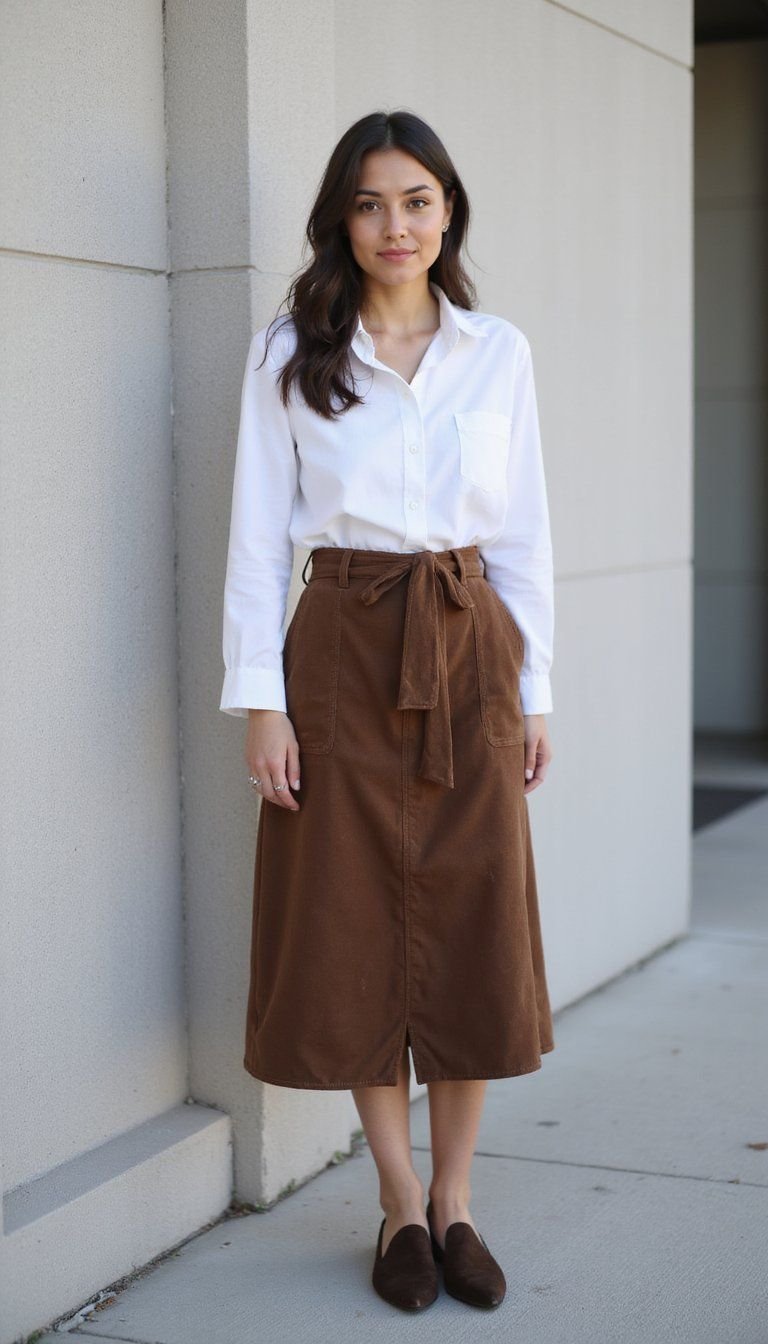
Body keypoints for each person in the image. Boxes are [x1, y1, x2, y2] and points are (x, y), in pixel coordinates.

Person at [220, 109, 556, 1314]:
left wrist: (536, 692)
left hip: (472, 649)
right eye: (369, 204)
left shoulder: (497, 352)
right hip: (342, 648)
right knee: (353, 915)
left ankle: (460, 1202)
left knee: (473, 920)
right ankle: (399, 1203)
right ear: (341, 220)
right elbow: (259, 545)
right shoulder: (289, 355)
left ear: (448, 209)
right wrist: (263, 705)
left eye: (416, 200)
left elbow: (523, 538)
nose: (394, 225)